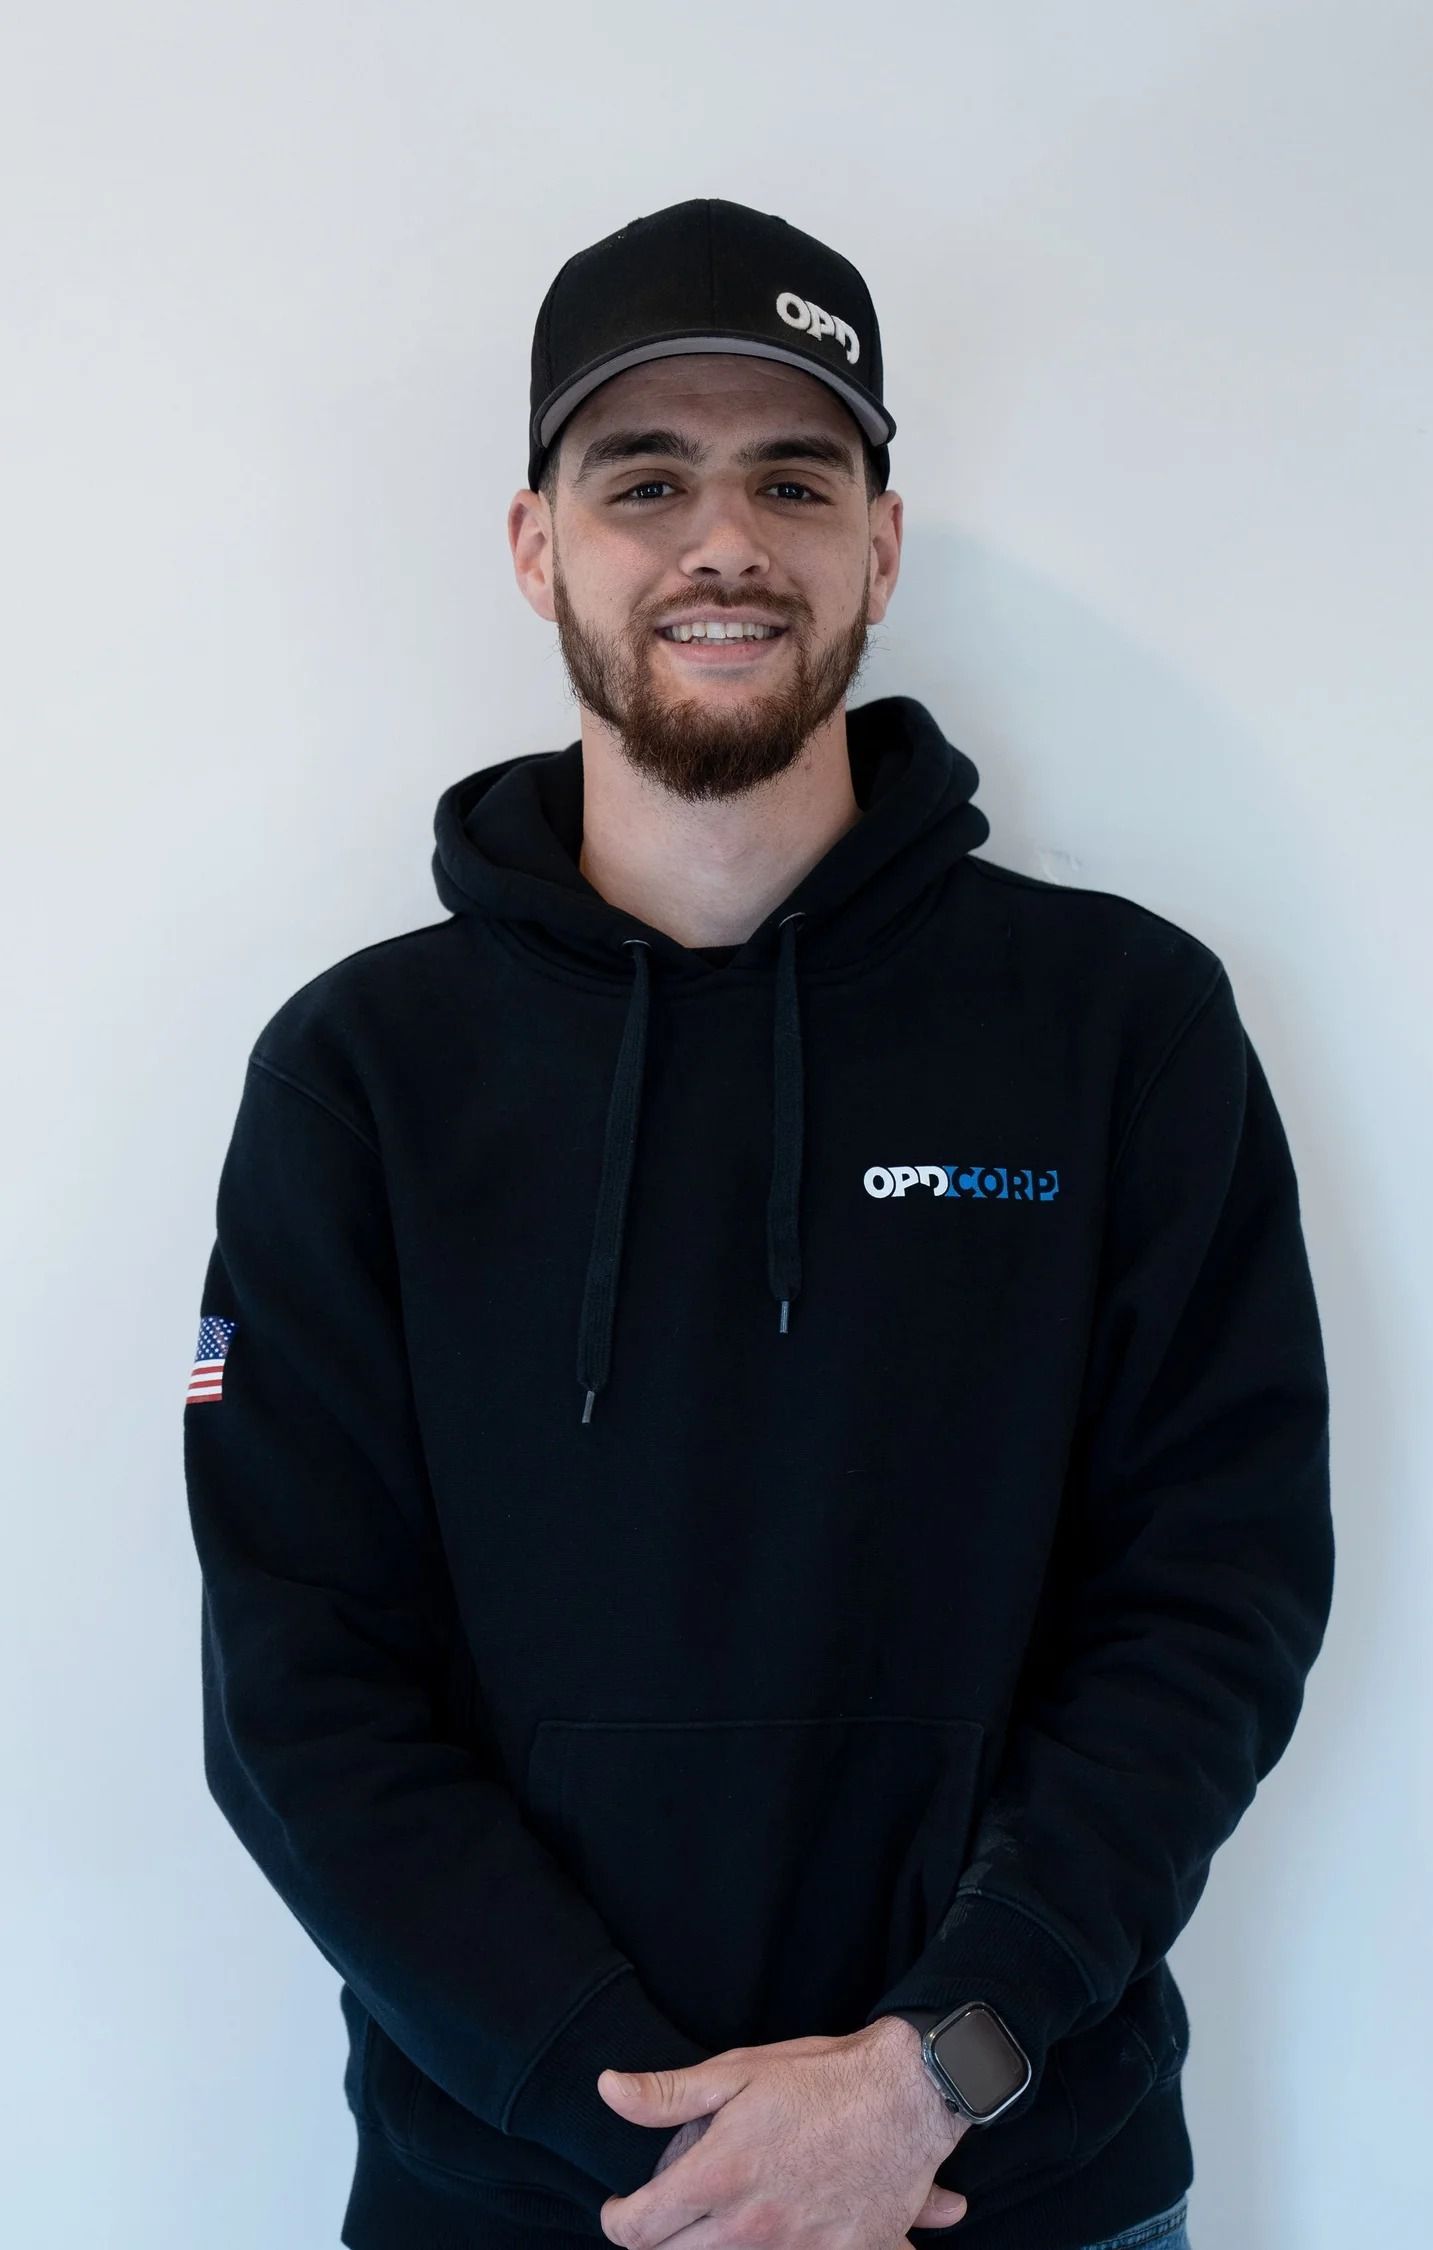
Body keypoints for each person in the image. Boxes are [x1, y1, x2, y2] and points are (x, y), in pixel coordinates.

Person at [182, 197, 1333, 2250]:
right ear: (538, 547)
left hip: (1011, 2182)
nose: (725, 542)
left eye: (794, 479)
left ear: (880, 545)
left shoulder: (1119, 1028)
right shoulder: (362, 1075)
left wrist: (923, 2077)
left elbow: (1212, 1605)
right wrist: (665, 2145)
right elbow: (301, 1684)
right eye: (646, 482)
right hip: (526, 2196)